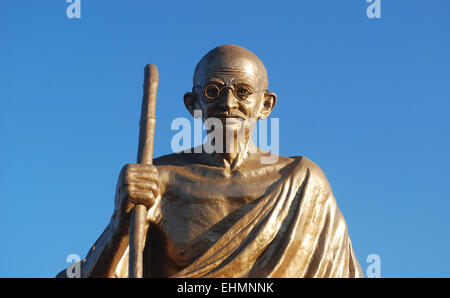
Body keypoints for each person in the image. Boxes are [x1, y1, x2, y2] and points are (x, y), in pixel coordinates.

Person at [57, 45, 363, 278]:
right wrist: (121, 226)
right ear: (194, 104)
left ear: (265, 104)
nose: (228, 104)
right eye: (213, 91)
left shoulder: (303, 183)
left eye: (243, 92)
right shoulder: (156, 181)